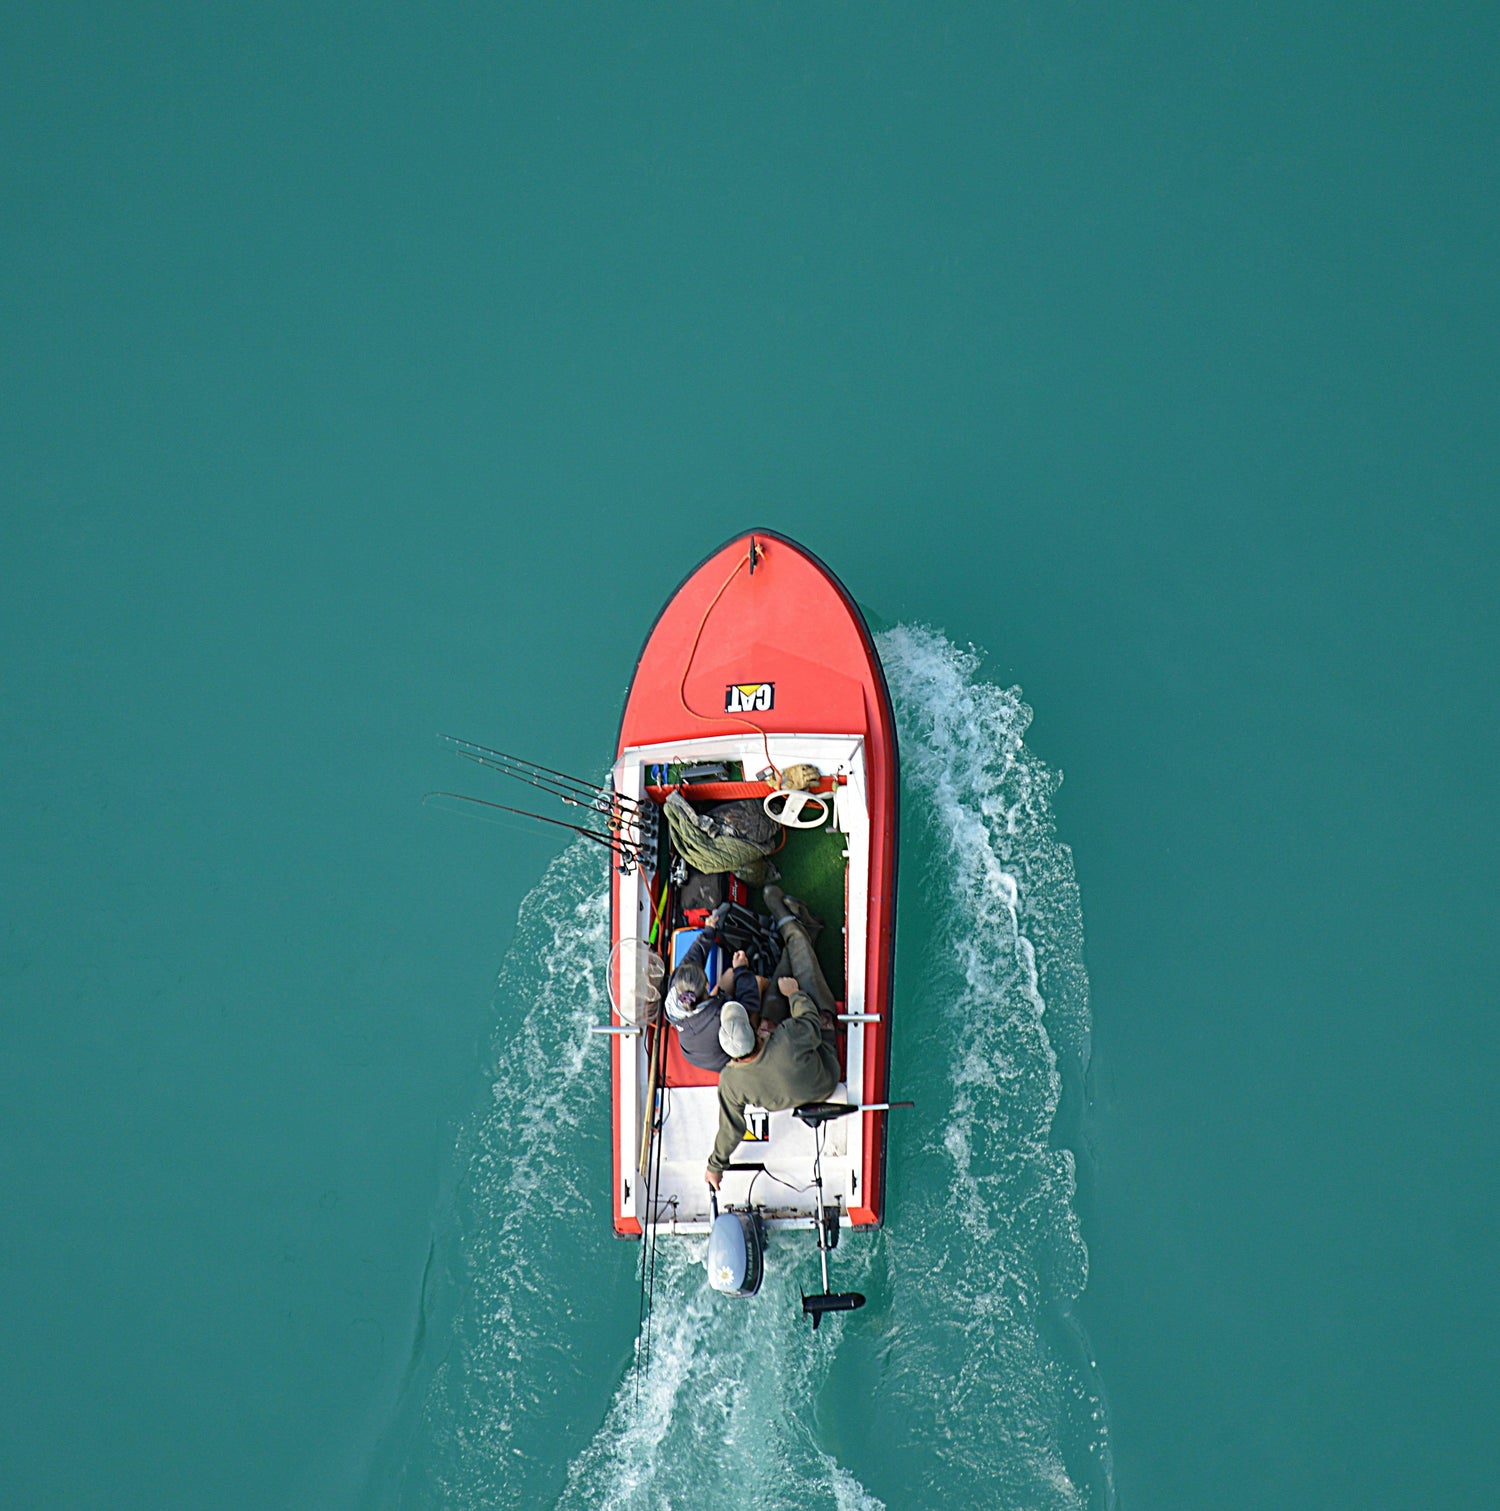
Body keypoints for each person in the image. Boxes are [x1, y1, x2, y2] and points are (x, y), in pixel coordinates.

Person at [704, 886, 841, 1187]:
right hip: (825, 1073)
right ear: (754, 1033)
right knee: (801, 975)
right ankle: (792, 924)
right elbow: (812, 1023)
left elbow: (731, 1129)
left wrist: (716, 1166)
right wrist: (795, 997)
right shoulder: (788, 1037)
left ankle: (799, 934)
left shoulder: (730, 1081)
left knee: (779, 984)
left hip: (789, 1089)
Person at [663, 904, 760, 1073]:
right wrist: (742, 970)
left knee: (729, 974)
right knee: (757, 982)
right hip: (725, 1059)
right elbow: (749, 1004)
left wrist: (709, 930)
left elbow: (695, 955)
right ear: (707, 986)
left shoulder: (676, 987)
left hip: (696, 1050)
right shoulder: (718, 1014)